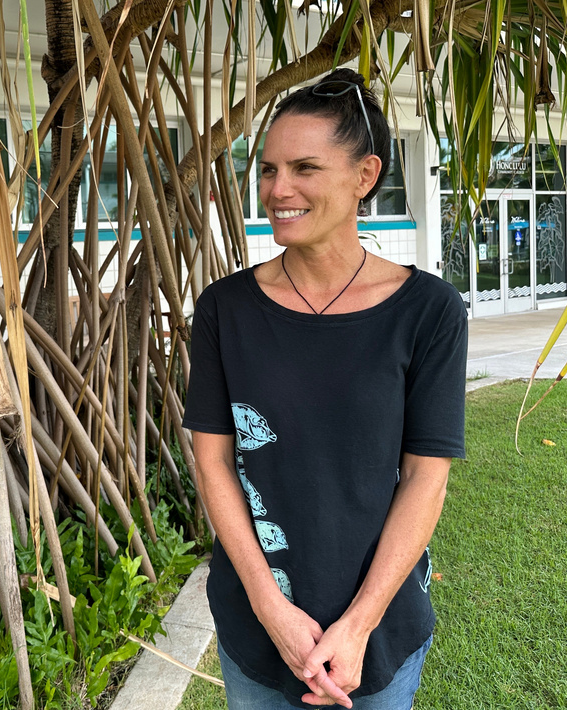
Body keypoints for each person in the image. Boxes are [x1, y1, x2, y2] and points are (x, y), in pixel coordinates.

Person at [182, 68, 467, 710]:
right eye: (268, 169)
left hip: (379, 630)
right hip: (257, 625)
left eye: (304, 168)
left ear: (365, 176)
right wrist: (269, 607)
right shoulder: (226, 309)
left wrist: (359, 624)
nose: (278, 189)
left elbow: (427, 475)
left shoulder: (428, 312)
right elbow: (214, 460)